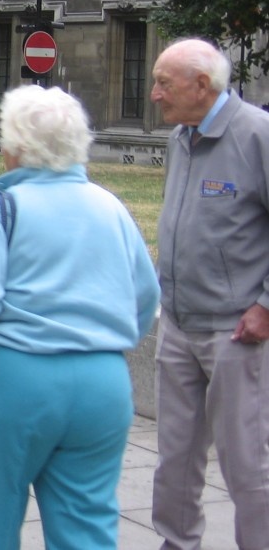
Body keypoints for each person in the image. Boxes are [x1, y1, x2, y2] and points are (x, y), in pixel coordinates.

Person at [0, 84, 159, 550]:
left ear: (17, 148)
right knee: (87, 526)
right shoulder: (112, 208)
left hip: (15, 380)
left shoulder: (1, 209)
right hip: (103, 383)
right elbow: (145, 297)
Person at [149, 38, 269, 550]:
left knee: (247, 464)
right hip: (178, 325)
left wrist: (266, 305)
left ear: (203, 85)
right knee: (174, 461)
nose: (155, 94)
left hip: (236, 332)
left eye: (163, 83)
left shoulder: (256, 134)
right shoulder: (182, 136)